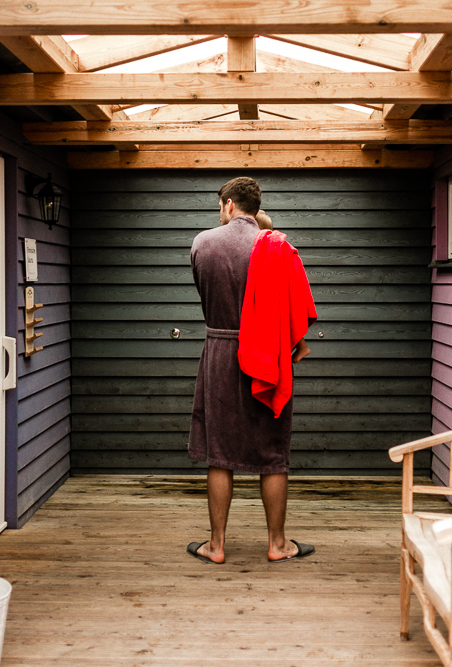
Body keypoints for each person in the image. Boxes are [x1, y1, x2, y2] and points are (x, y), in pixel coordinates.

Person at [187, 177, 317, 565]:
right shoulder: (276, 246)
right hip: (268, 354)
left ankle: (216, 545)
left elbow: (204, 293)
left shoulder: (202, 244)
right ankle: (278, 544)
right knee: (272, 452)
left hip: (220, 352)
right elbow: (295, 303)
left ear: (228, 205)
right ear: (256, 206)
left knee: (219, 453)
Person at [255, 209, 311, 364]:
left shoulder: (270, 247)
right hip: (282, 294)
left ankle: (302, 347)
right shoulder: (277, 246)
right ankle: (302, 346)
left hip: (276, 295)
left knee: (285, 320)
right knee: (289, 318)